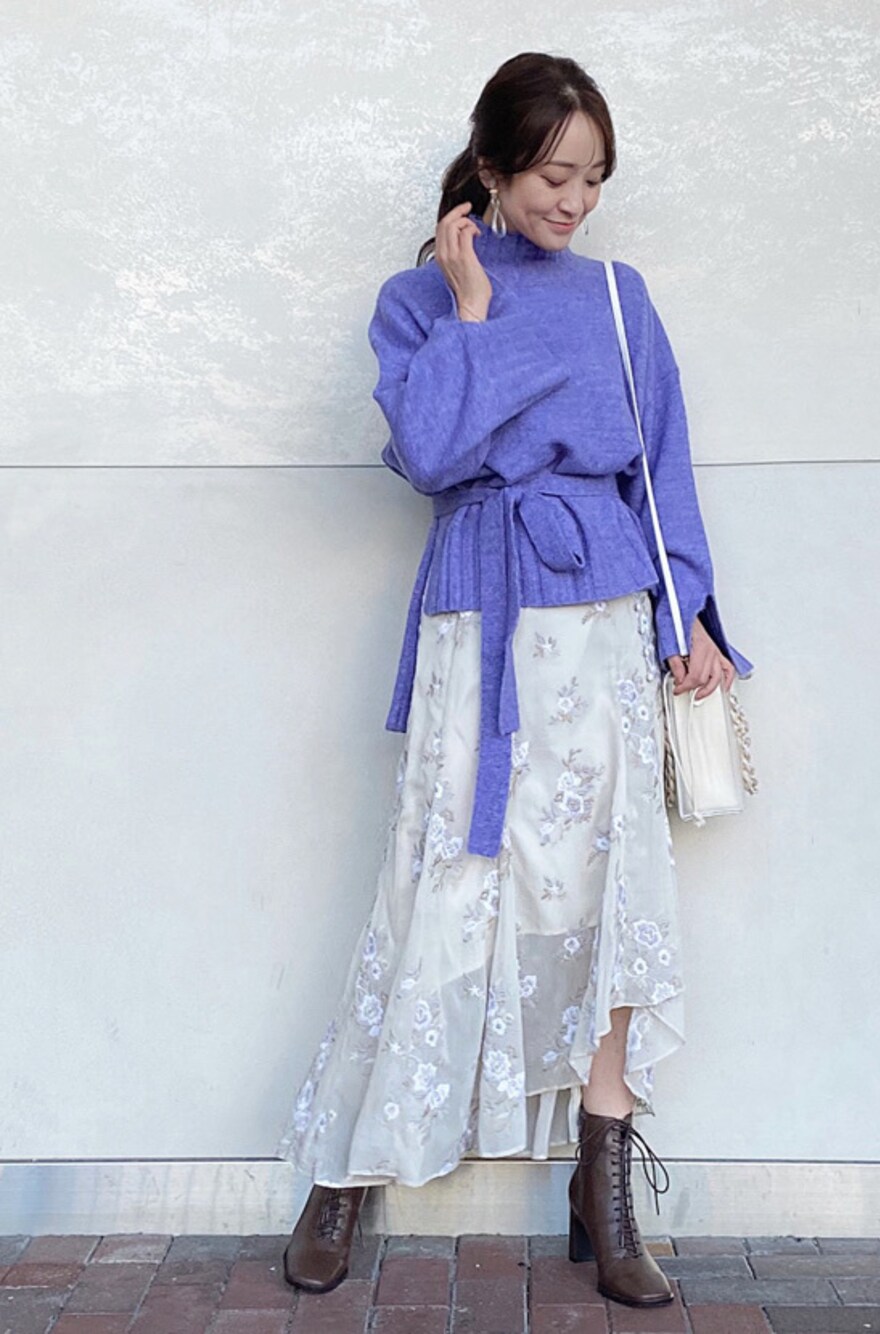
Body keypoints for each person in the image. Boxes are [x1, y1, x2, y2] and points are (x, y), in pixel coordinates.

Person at [274, 50, 752, 1309]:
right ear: (489, 168)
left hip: (600, 623)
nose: (574, 201)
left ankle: (602, 1191)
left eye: (592, 178)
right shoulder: (419, 298)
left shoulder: (618, 298)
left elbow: (661, 465)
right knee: (438, 876)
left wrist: (692, 613)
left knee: (604, 892)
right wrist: (474, 308)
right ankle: (346, 1167)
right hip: (476, 615)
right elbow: (434, 452)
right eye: (551, 176)